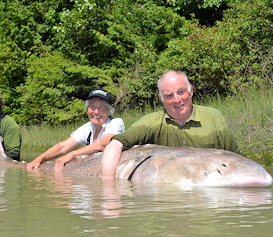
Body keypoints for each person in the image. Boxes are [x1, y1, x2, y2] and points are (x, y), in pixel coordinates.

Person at [100, 70, 238, 179]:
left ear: (191, 91)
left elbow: (236, 158)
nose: (176, 100)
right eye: (169, 95)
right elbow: (116, 144)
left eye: (181, 92)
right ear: (161, 99)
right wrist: (108, 187)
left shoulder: (213, 117)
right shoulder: (152, 122)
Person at [27, 89, 125, 171]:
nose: (96, 112)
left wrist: (73, 154)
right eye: (92, 107)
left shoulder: (116, 123)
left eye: (101, 107)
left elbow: (102, 145)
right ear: (87, 109)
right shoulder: (89, 126)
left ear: (109, 111)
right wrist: (40, 159)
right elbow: (63, 147)